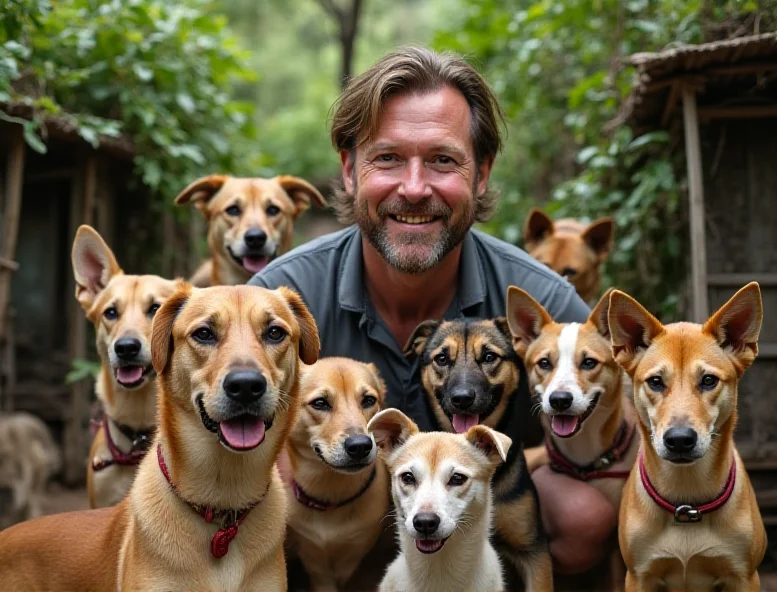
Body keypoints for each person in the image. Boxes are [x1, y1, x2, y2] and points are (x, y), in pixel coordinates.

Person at [249, 46, 615, 575]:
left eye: (443, 160)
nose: (415, 188)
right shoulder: (281, 298)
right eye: (388, 158)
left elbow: (624, 423)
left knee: (582, 516)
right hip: (324, 515)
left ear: (481, 173)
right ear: (350, 169)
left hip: (473, 527)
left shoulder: (541, 302)